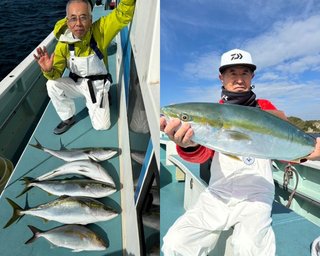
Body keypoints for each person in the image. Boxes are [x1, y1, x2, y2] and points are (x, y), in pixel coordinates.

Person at [160, 49, 320, 256]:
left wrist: (309, 152)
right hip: (219, 191)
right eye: (232, 73)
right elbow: (203, 155)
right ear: (221, 77)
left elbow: (282, 148)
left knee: (249, 247)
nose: (238, 79)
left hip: (258, 192)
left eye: (244, 73)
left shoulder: (266, 109)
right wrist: (187, 144)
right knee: (175, 242)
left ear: (252, 76)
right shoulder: (213, 112)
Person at [34, 0, 135, 134]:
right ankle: (68, 117)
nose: (78, 24)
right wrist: (48, 70)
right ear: (67, 21)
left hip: (97, 85)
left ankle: (103, 96)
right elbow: (56, 74)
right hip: (77, 83)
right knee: (52, 84)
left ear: (90, 18)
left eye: (83, 17)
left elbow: (122, 14)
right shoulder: (63, 43)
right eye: (73, 18)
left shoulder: (101, 30)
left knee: (102, 126)